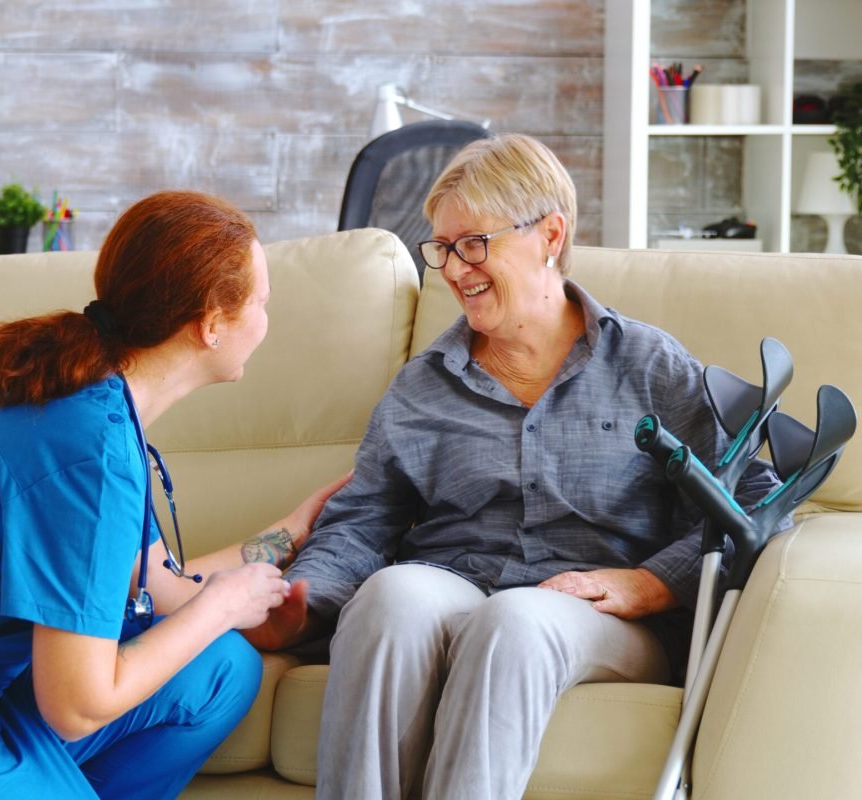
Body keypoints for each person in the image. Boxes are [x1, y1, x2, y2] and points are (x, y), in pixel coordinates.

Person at [244, 134, 787, 799]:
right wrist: (305, 603)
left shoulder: (649, 367)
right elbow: (362, 522)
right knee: (389, 597)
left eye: (474, 244)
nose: (454, 269)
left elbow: (751, 498)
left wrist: (650, 583)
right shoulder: (422, 387)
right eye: (442, 248)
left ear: (549, 235)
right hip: (456, 581)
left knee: (515, 620)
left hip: (603, 618)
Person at [0, 190, 346, 799]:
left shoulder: (95, 405)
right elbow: (78, 706)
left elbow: (160, 583)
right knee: (205, 640)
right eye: (261, 302)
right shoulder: (90, 453)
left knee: (223, 668)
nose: (265, 320)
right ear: (210, 324)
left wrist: (291, 532)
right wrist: (222, 607)